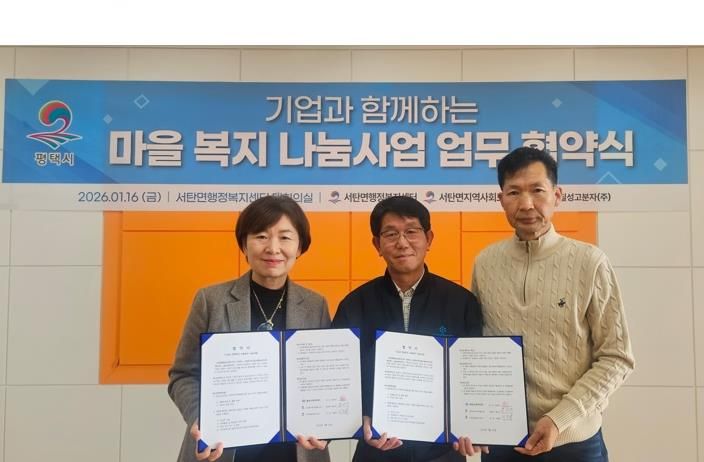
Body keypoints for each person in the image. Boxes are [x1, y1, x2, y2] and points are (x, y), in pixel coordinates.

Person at [471, 147, 635, 461]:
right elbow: (476, 348)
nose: (526, 204)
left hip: (574, 442)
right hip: (502, 442)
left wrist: (559, 419)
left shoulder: (590, 261)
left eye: (537, 190)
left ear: (557, 195)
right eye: (514, 192)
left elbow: (617, 357)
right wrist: (472, 418)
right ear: (501, 199)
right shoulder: (485, 263)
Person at [168, 195, 331, 462]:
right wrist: (201, 417)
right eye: (261, 236)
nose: (273, 248)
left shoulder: (315, 305)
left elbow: (323, 381)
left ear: (300, 246)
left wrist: (327, 426)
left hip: (294, 451)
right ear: (244, 244)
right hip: (222, 450)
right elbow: (183, 374)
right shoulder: (210, 300)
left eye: (285, 237)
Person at [331, 195, 485, 462]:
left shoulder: (461, 302)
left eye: (411, 232)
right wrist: (360, 419)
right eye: (391, 234)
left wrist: (475, 423)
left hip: (442, 452)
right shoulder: (354, 305)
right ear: (377, 245)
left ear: (429, 239)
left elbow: (474, 376)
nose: (402, 243)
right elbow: (339, 379)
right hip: (375, 450)